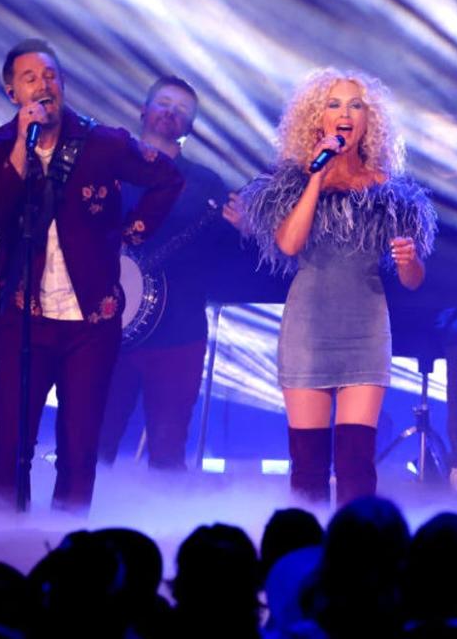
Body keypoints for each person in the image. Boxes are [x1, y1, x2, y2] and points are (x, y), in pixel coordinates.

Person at [0, 38, 181, 512]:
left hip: (91, 324)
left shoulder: (101, 143)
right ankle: (5, 544)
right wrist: (22, 153)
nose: (44, 85)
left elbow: (168, 177)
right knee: (12, 445)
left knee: (79, 447)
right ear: (12, 93)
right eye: (31, 78)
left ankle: (67, 551)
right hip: (23, 321)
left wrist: (134, 229)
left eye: (51, 76)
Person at [237, 69, 436, 506]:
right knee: (307, 465)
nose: (344, 113)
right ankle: (308, 559)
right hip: (308, 329)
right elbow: (289, 243)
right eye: (334, 104)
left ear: (368, 121)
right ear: (318, 119)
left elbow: (413, 279)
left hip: (365, 329)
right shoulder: (293, 181)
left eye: (355, 105)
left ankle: (355, 561)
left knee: (356, 464)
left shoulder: (390, 191)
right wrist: (315, 176)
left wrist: (409, 261)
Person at [96, 75, 259, 470]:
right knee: (94, 439)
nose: (172, 111)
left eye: (183, 109)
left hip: (179, 333)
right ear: (144, 110)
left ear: (189, 127)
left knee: (168, 447)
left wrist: (245, 232)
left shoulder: (206, 184)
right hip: (105, 328)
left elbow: (231, 260)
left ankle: (162, 525)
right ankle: (73, 523)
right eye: (165, 102)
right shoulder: (104, 169)